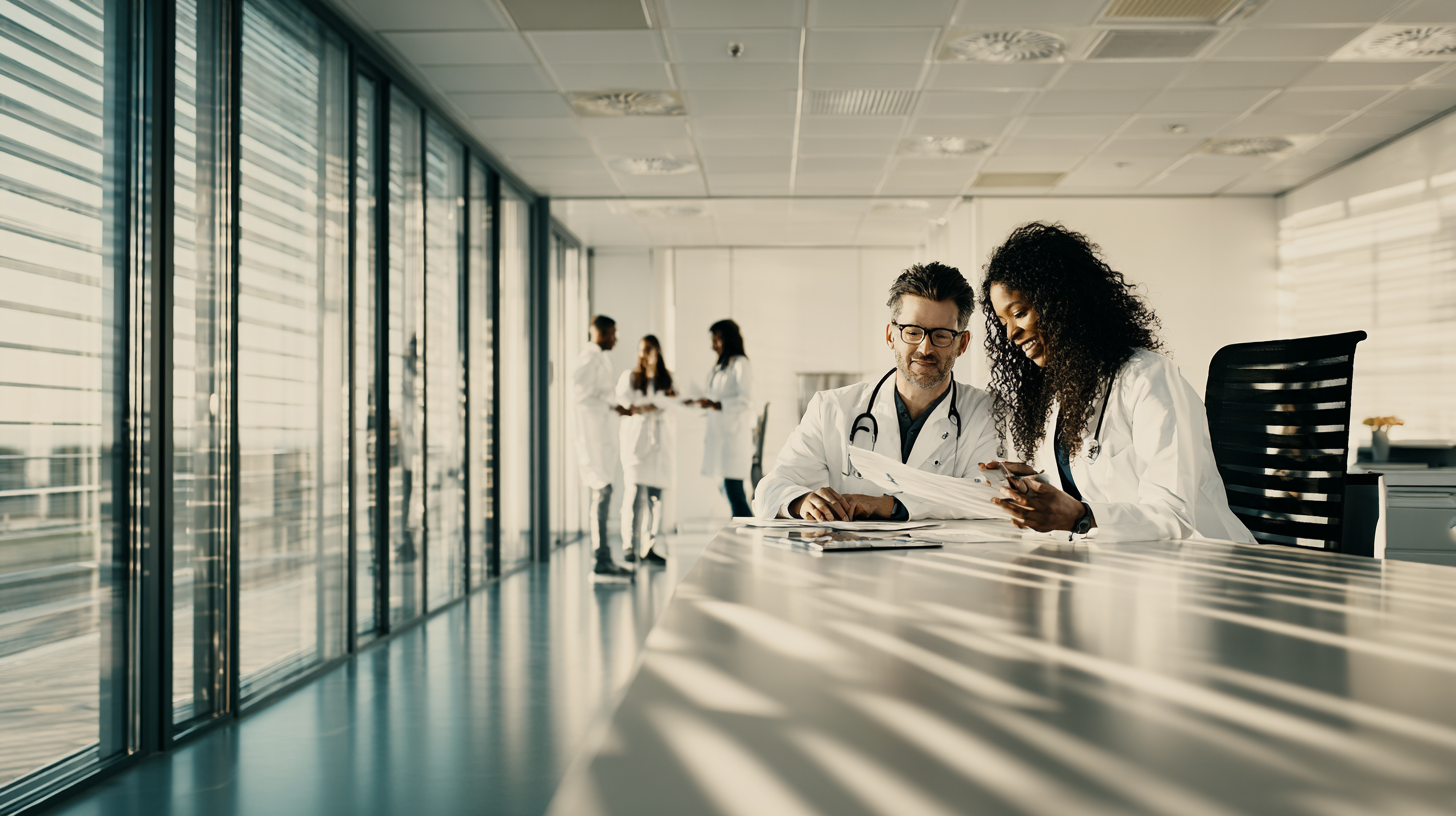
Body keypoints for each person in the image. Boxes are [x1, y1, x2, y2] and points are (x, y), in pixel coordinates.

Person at [979, 221, 1255, 543]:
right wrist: (1044, 487)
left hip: (1201, 563)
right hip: (1118, 567)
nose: (1011, 333)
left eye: (1020, 312)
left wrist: (1079, 516)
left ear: (1062, 302)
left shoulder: (1148, 378)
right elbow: (1094, 489)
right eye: (1003, 321)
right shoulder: (1060, 392)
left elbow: (1174, 517)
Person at [753, 263, 999, 521]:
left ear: (963, 343)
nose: (925, 348)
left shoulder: (986, 413)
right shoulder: (832, 408)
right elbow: (771, 488)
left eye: (941, 335)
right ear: (890, 336)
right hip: (853, 560)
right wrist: (801, 502)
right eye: (912, 332)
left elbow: (989, 498)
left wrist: (889, 506)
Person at [571, 315, 635, 581]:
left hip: (601, 438)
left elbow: (599, 396)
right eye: (612, 334)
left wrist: (615, 406)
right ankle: (601, 559)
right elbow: (582, 398)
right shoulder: (588, 359)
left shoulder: (598, 358)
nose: (615, 339)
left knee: (604, 492)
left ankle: (603, 557)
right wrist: (611, 407)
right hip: (593, 439)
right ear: (600, 333)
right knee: (603, 492)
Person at [616, 335, 675, 566]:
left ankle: (648, 547)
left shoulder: (667, 378)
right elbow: (623, 405)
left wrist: (656, 406)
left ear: (657, 351)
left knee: (654, 500)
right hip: (637, 446)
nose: (644, 354)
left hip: (660, 447)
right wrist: (645, 408)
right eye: (641, 350)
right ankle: (629, 546)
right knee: (633, 496)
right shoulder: (630, 378)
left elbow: (674, 403)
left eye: (649, 349)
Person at [692, 319, 754, 518]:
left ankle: (746, 537)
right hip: (721, 438)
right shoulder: (720, 366)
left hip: (733, 439)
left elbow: (746, 400)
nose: (713, 344)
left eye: (717, 339)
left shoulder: (741, 364)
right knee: (730, 491)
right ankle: (743, 537)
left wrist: (716, 405)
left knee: (734, 492)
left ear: (727, 339)